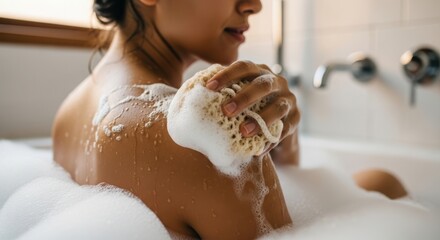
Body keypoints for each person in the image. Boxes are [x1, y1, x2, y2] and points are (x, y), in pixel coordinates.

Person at [52, 0, 406, 239]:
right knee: (383, 182)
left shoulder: (69, 111)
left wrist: (284, 134)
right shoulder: (205, 138)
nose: (255, 4)